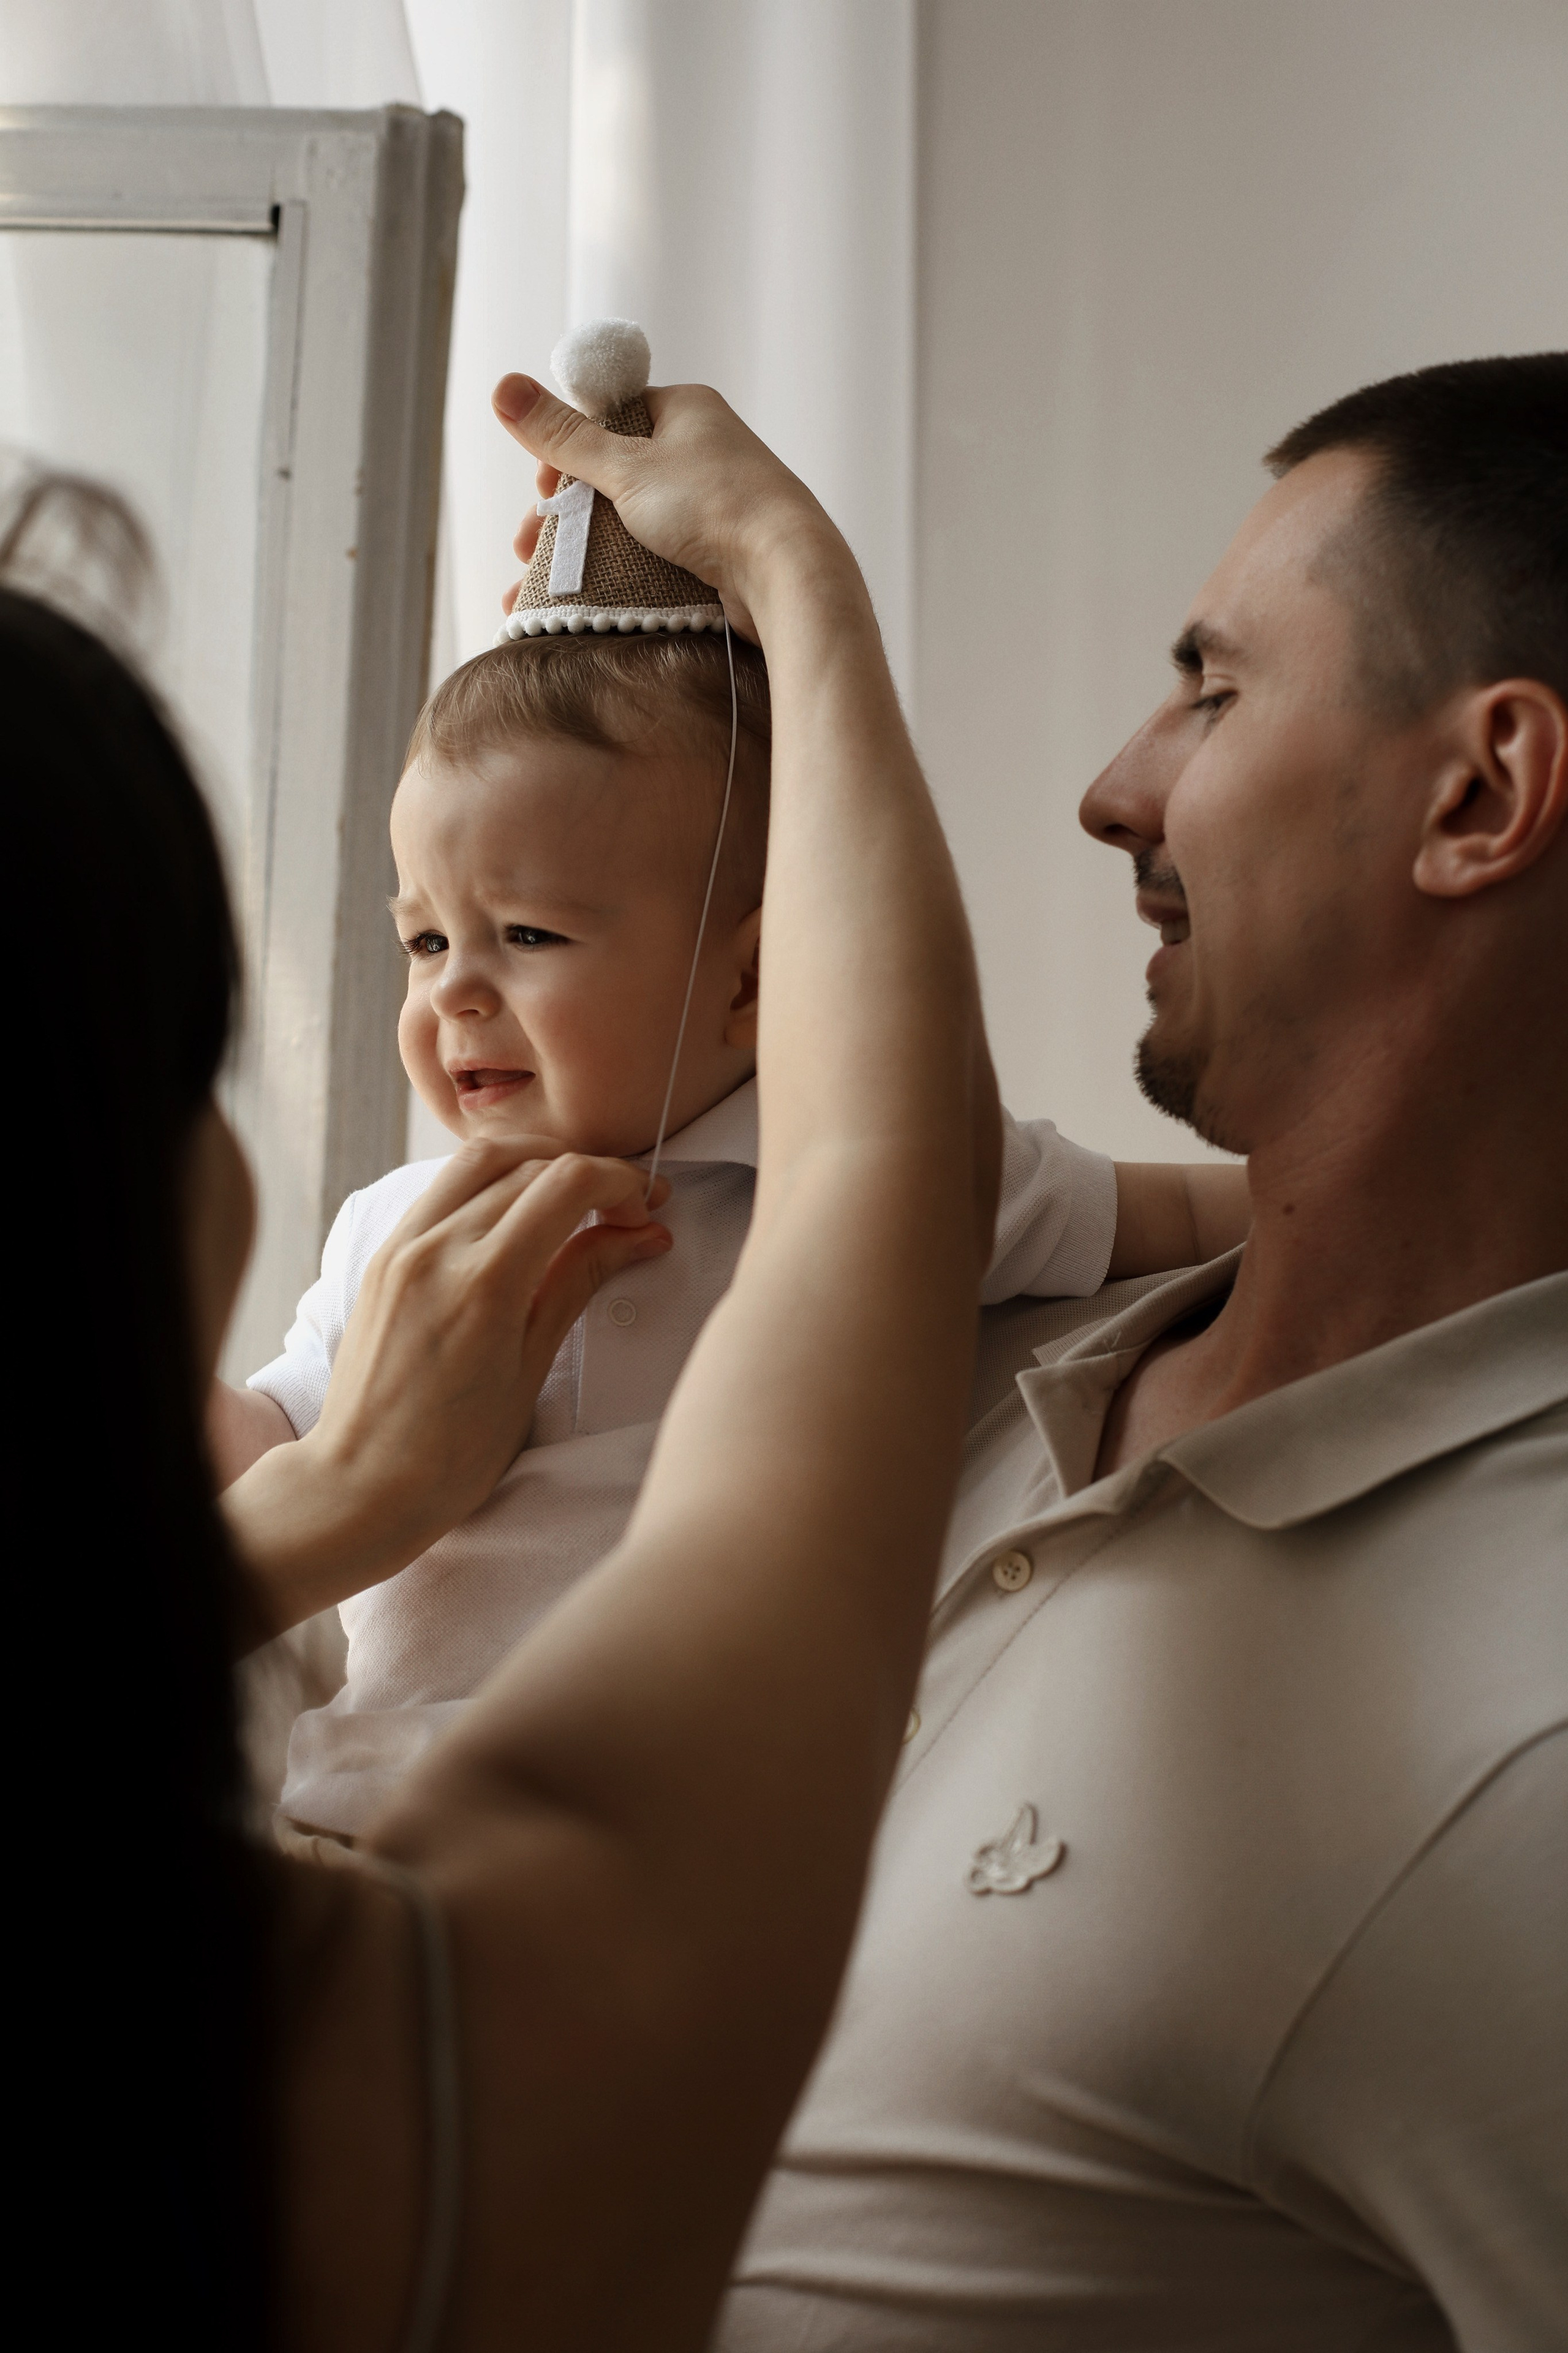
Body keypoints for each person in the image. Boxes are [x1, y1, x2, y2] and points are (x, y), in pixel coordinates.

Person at [468, 350, 1568, 2350]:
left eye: (1212, 689)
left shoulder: (1529, 1744)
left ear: (1481, 793)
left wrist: (796, 578)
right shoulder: (970, 1358)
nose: (1111, 787)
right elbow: (868, 1151)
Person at [12, 368, 1001, 2352]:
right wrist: (786, 568)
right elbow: (882, 1186)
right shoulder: (460, 2082)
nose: (453, 1001)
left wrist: (329, 1508)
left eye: (525, 937)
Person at [210, 336, 1248, 1844]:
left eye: (527, 936)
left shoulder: (881, 1183)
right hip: (361, 1816)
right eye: (425, 940)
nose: (452, 995)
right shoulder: (400, 1231)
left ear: (758, 979)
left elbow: (1197, 1216)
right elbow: (277, 1439)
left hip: (665, 1847)